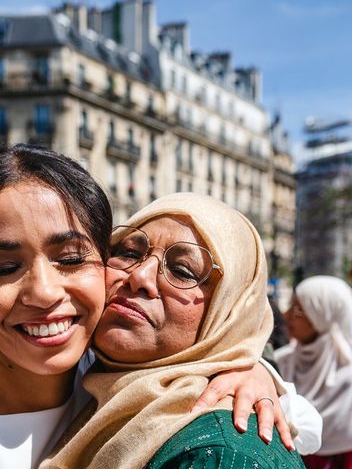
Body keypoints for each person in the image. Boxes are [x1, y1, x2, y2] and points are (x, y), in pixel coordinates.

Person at [0, 146, 304, 468]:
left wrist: (252, 371)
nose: (44, 292)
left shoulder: (114, 383)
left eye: (70, 258)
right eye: (4, 268)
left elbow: (297, 424)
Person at [41, 192, 317, 468]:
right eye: (128, 253)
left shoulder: (223, 453)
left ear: (228, 314)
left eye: (183, 271)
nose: (139, 276)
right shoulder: (72, 378)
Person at [276, 276, 352, 469]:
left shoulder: (348, 379)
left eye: (298, 309)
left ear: (322, 316)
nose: (287, 315)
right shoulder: (278, 363)